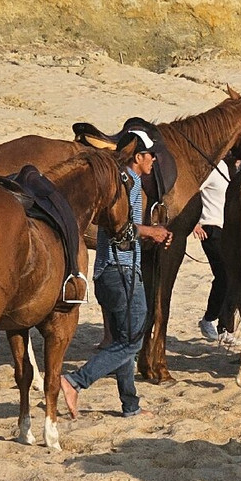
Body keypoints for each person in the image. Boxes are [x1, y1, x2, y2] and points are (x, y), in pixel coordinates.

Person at [60, 130, 172, 419]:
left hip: (106, 273)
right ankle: (76, 381)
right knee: (133, 340)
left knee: (124, 339)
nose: (154, 159)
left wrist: (151, 236)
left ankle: (130, 405)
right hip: (122, 272)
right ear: (138, 157)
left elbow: (119, 231)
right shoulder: (131, 184)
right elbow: (125, 230)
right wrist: (153, 232)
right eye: (150, 154)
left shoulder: (116, 181)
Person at [194, 156, 236, 347]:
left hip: (226, 229)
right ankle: (208, 319)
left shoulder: (226, 167)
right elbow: (191, 192)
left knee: (232, 278)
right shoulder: (209, 167)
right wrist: (194, 223)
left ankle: (225, 328)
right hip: (210, 228)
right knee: (223, 276)